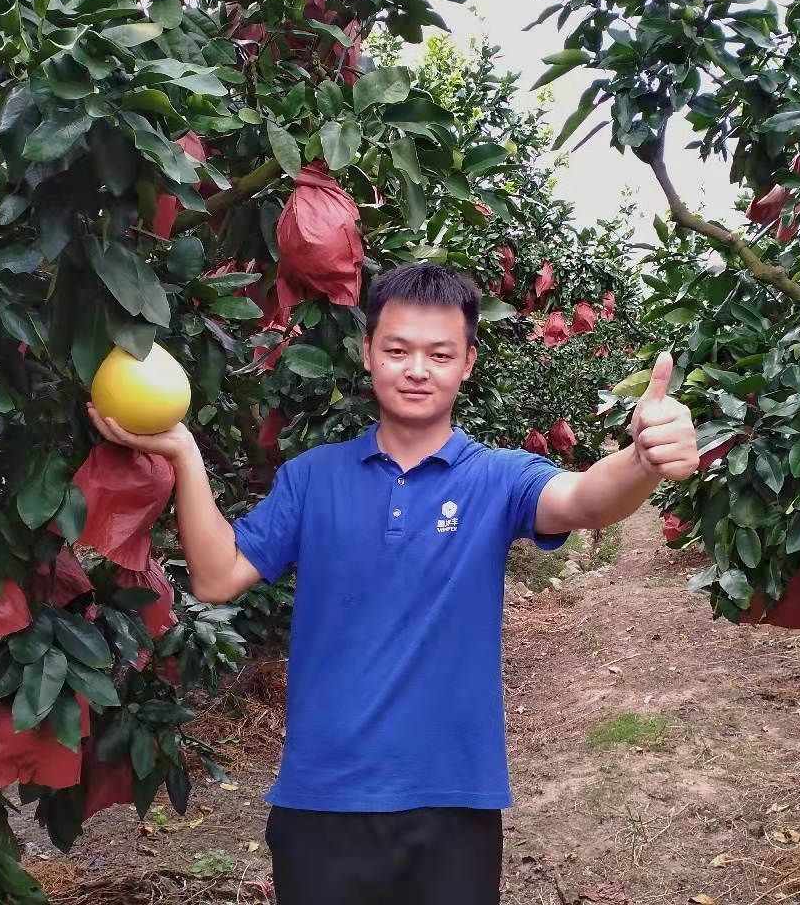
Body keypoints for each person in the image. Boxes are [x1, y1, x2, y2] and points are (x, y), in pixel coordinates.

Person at [87, 262, 699, 905]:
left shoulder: (497, 478)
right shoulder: (311, 478)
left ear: (466, 363)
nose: (417, 369)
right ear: (368, 353)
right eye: (398, 349)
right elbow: (216, 577)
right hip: (321, 802)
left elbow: (584, 501)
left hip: (453, 805)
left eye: (440, 353)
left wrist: (640, 460)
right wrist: (183, 454)